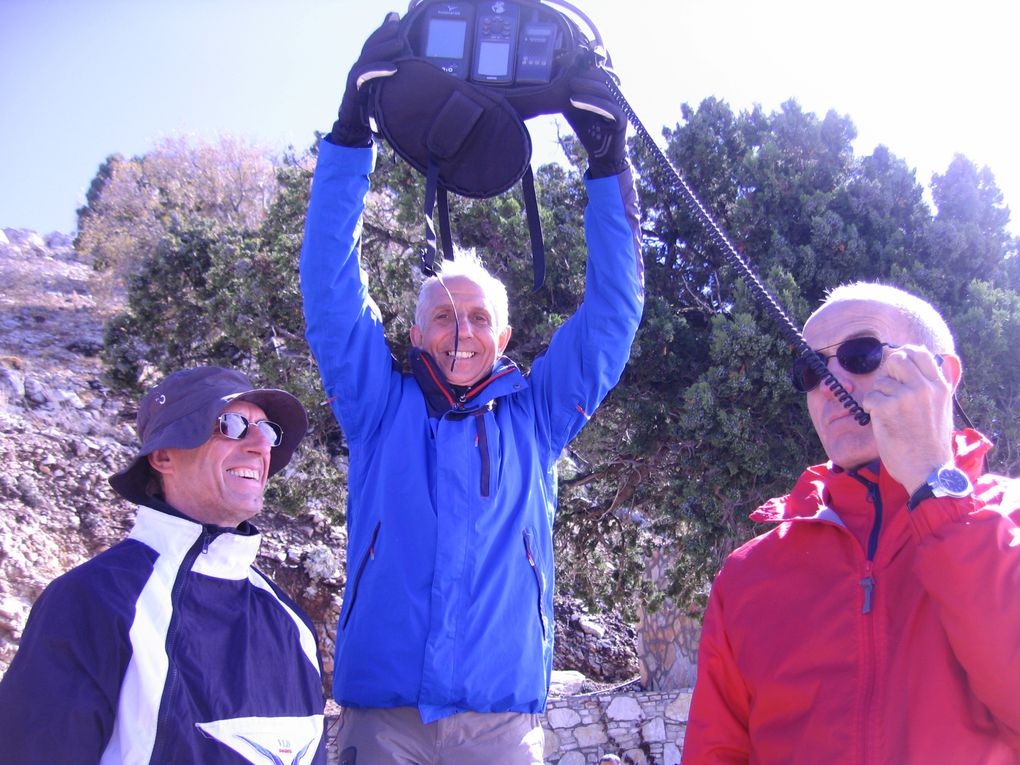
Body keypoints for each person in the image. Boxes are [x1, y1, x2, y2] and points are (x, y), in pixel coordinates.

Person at [299, 14, 644, 765]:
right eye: (443, 316)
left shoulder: (538, 415)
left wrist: (610, 163)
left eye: (479, 317)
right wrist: (350, 136)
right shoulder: (377, 406)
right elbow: (329, 295)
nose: (462, 330)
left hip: (500, 721)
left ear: (505, 337)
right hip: (381, 714)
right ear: (416, 334)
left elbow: (613, 313)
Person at [681, 283, 1020, 764]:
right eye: (811, 369)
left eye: (861, 353)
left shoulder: (1011, 519)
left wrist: (933, 485)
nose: (830, 381)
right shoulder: (747, 574)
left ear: (942, 375)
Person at [0, 366, 327, 764]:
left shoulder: (290, 622)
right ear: (163, 455)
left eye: (268, 429)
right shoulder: (92, 603)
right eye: (234, 425)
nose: (262, 444)